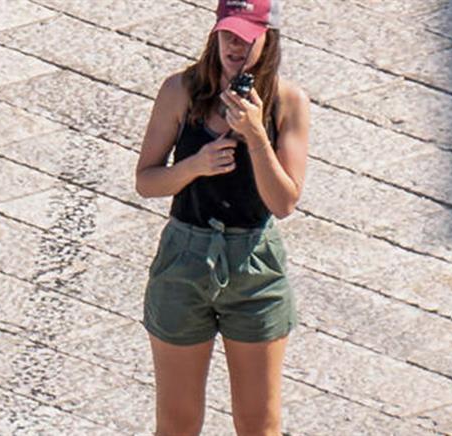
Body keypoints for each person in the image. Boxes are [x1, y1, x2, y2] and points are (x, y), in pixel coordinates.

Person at [134, 0, 309, 434]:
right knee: (176, 423)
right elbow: (147, 180)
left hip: (254, 264)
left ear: (268, 37)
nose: (234, 46)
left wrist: (255, 135)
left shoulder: (287, 102)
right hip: (185, 257)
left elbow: (284, 203)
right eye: (227, 34)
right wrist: (195, 166)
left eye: (246, 37)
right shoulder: (180, 90)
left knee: (258, 423)